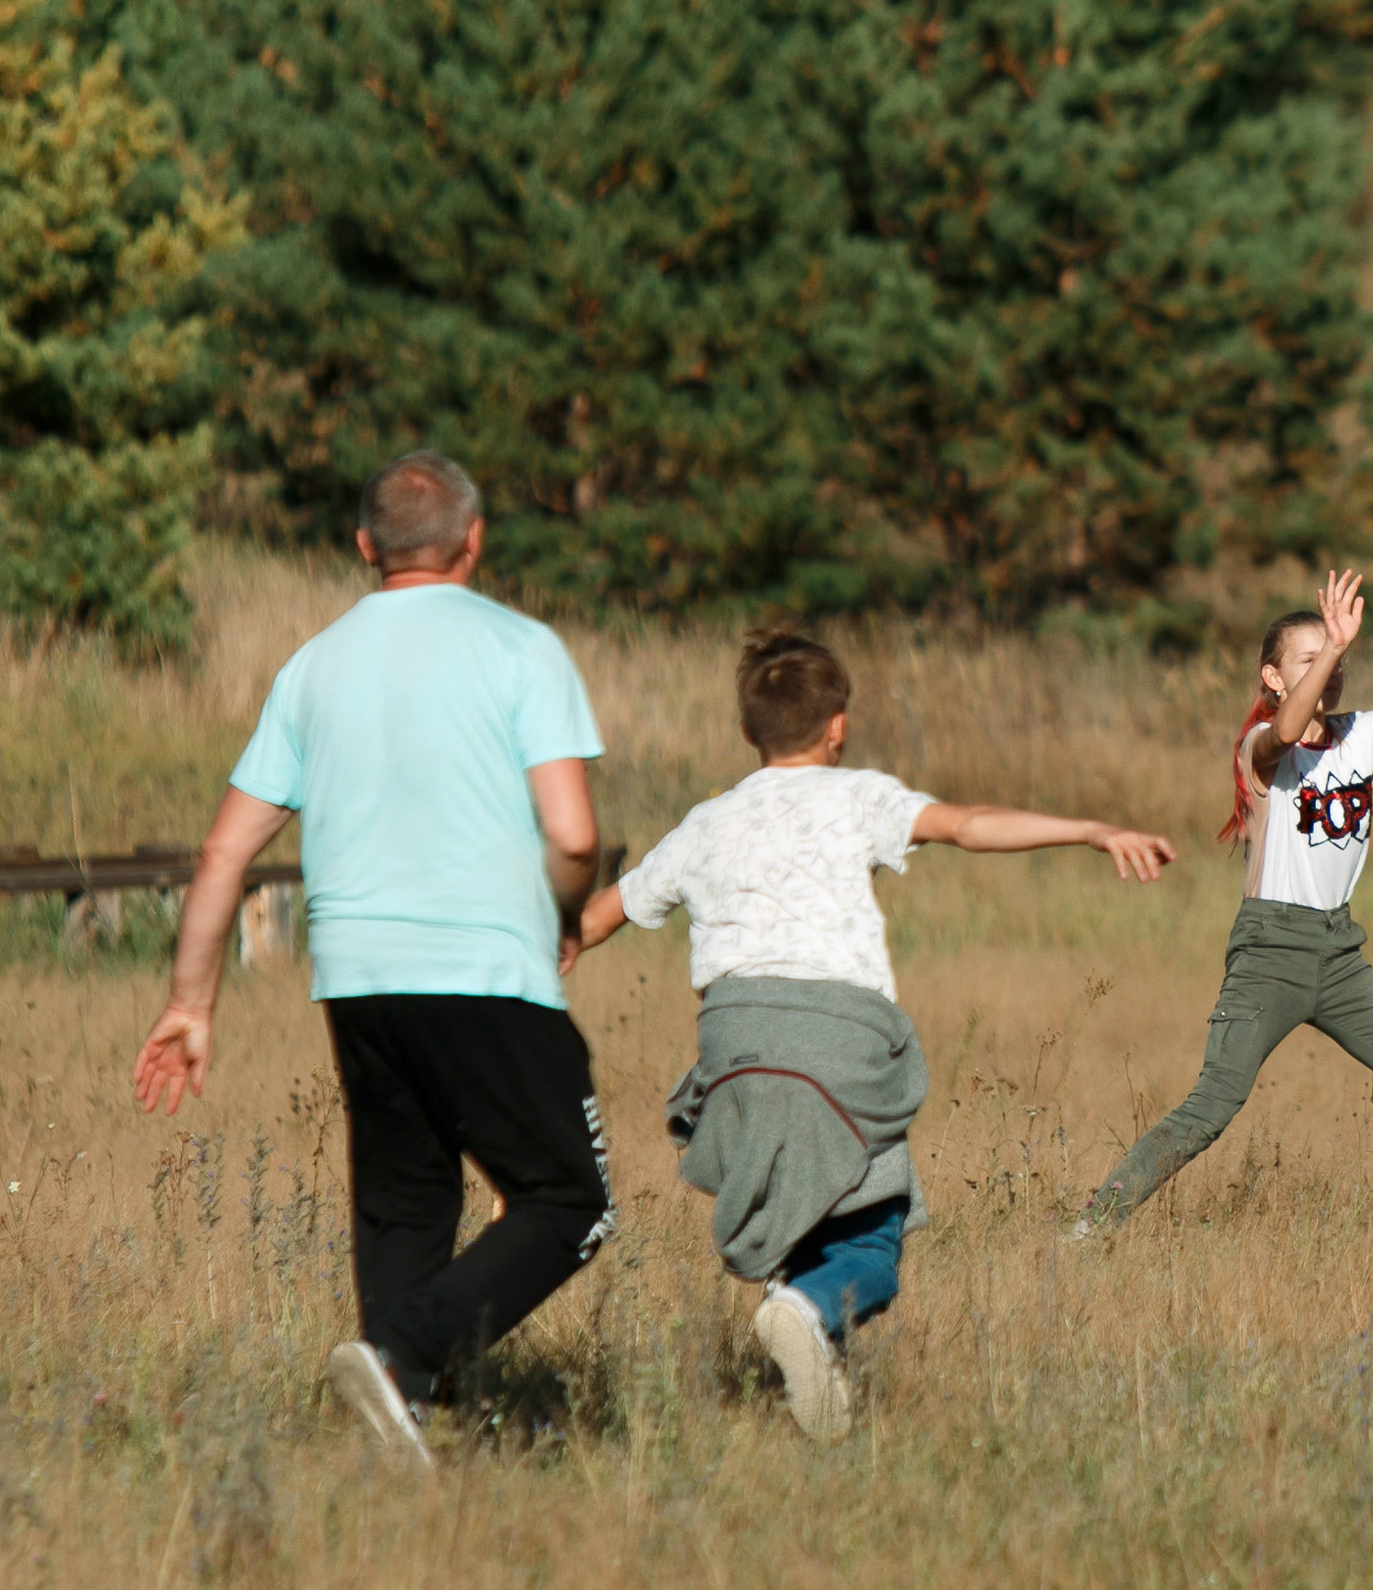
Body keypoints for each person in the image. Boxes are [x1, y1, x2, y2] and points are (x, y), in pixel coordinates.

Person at [564, 632, 1175, 1441]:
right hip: (839, 1037)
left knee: (799, 1212)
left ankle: (811, 1367)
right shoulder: (858, 796)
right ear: (837, 727)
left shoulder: (705, 822)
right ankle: (806, 1310)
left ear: (748, 732)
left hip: (733, 1043)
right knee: (873, 1233)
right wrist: (1091, 829)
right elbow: (969, 823)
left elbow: (595, 919)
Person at [132, 451, 614, 1468]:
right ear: (475, 541)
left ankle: (405, 1419)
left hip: (356, 978)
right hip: (483, 969)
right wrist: (563, 916)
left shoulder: (312, 666)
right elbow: (573, 837)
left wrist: (191, 1003)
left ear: (364, 547)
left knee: (407, 1196)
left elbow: (225, 849)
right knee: (570, 1199)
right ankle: (401, 1357)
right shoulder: (521, 649)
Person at [1070, 565, 1373, 1236]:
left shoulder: (1364, 733)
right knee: (1211, 1105)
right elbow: (1288, 730)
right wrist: (1338, 650)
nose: (1331, 666)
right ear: (1273, 677)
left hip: (1340, 952)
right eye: (1310, 658)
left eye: (1336, 654)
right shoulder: (1260, 749)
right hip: (1269, 951)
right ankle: (1093, 1222)